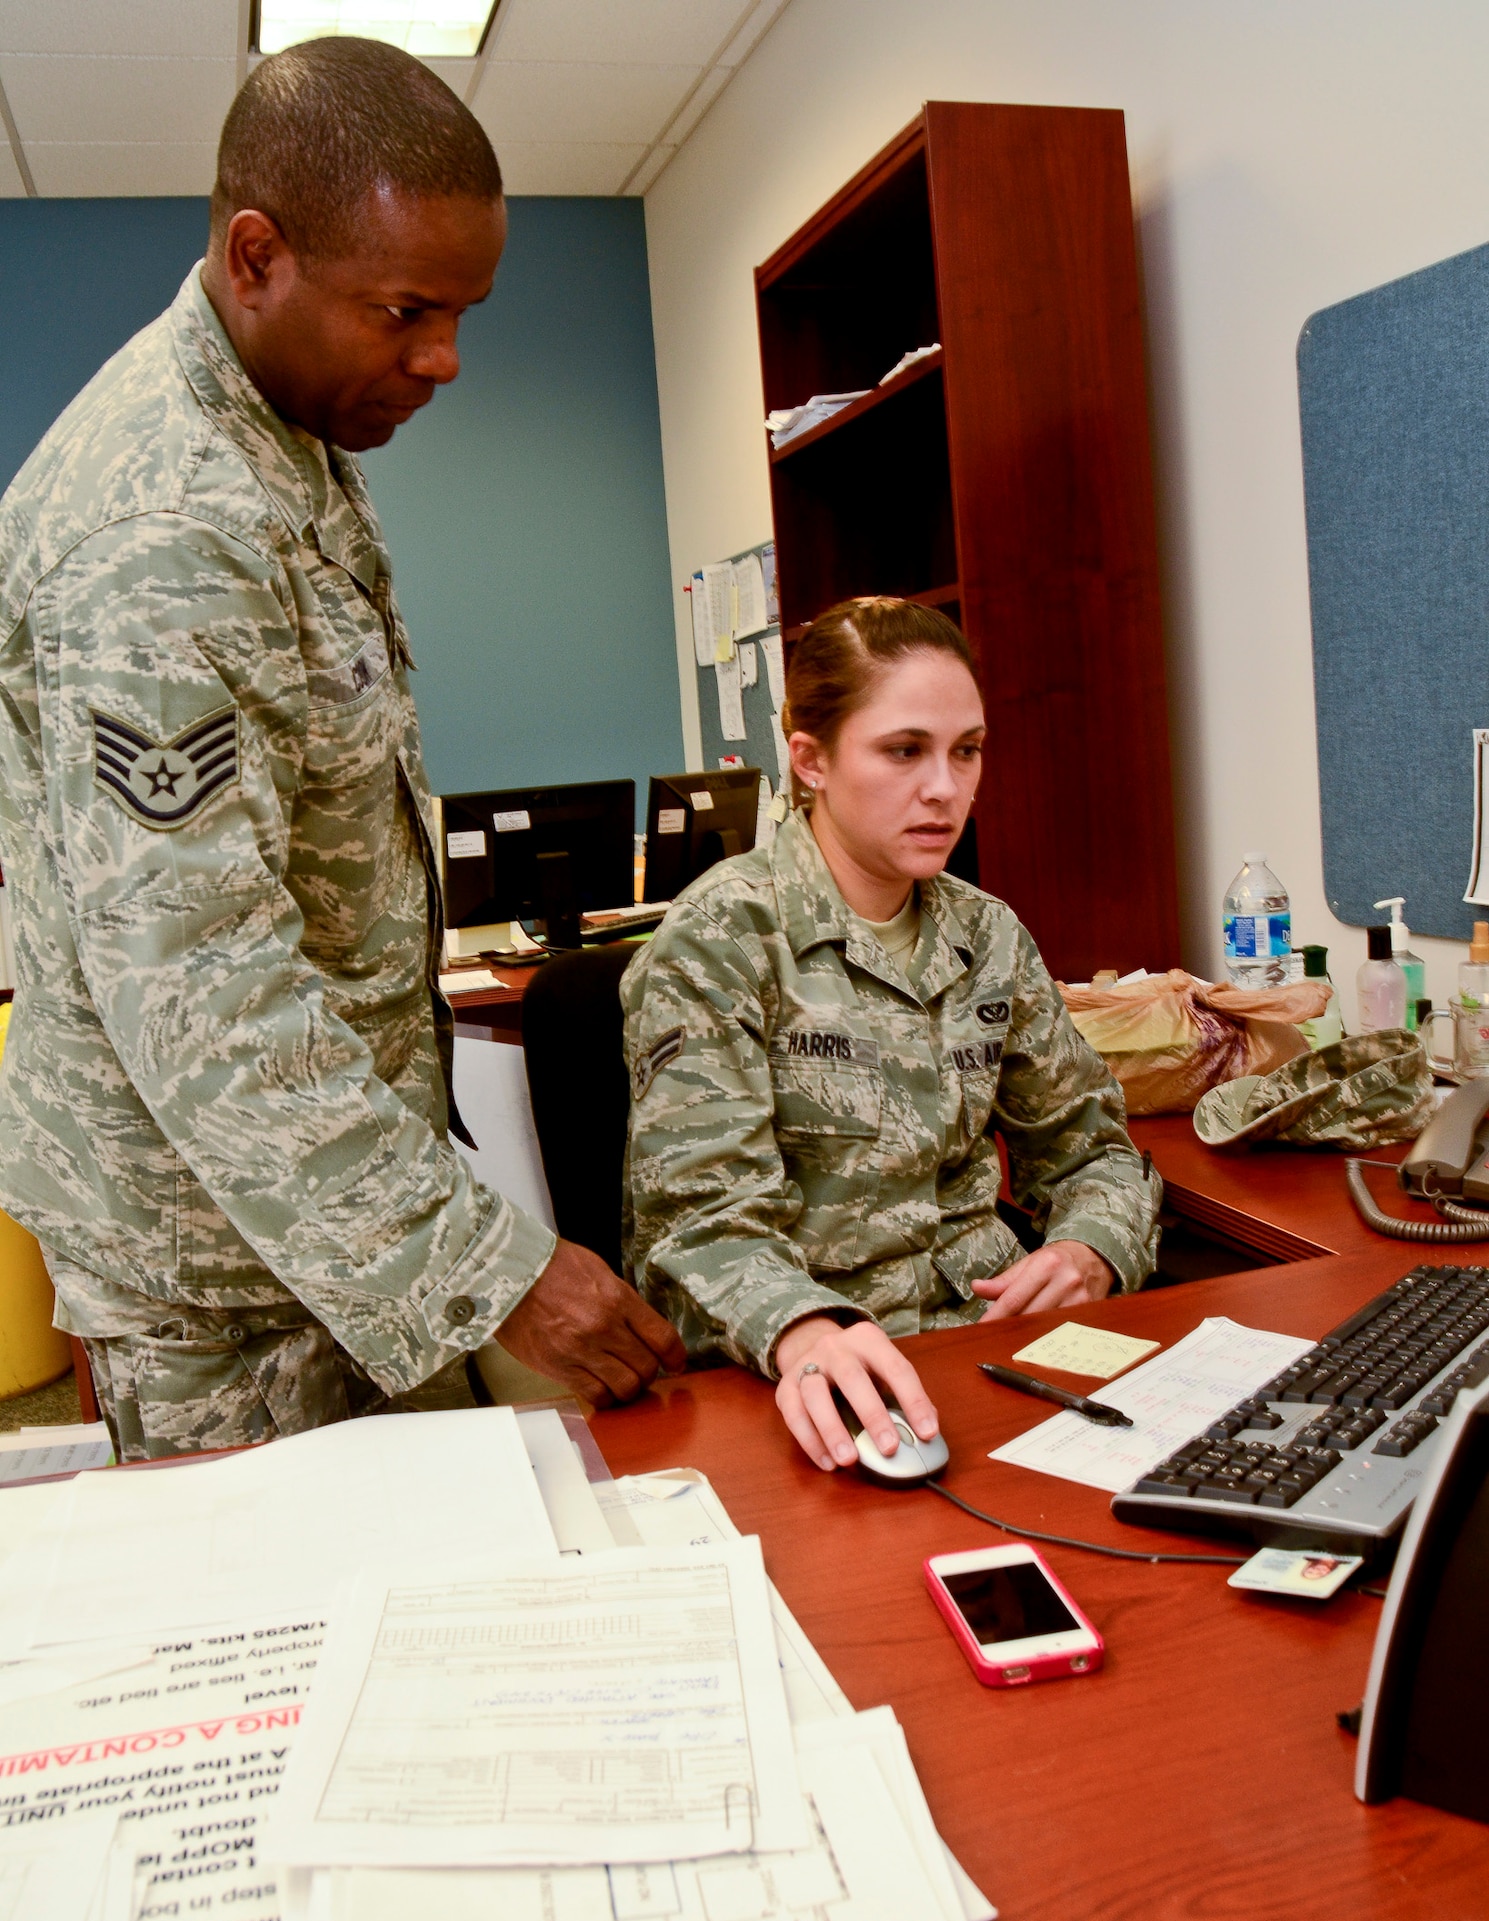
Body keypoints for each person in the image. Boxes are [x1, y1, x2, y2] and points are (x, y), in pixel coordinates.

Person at [0, 38, 683, 1459]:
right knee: (293, 1654)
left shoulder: (288, 434)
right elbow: (198, 989)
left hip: (330, 1221)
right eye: (406, 310)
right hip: (221, 1270)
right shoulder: (164, 530)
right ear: (257, 256)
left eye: (463, 312)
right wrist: (490, 1271)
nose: (443, 359)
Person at [622, 597, 1161, 1472]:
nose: (944, 788)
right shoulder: (721, 941)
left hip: (987, 1355)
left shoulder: (986, 936)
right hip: (804, 1376)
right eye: (903, 751)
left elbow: (1091, 1146)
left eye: (967, 751)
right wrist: (801, 1327)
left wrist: (1091, 1246)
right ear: (810, 761)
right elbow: (697, 1225)